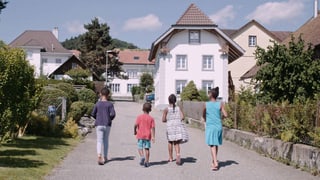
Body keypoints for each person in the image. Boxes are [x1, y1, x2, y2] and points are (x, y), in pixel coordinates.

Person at [202, 87, 227, 171]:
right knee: (215, 144)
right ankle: (214, 161)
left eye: (209, 93)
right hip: (218, 126)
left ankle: (215, 162)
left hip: (211, 126)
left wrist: (205, 119)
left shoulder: (206, 104)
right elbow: (226, 115)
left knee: (212, 145)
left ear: (211, 95)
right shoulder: (220, 104)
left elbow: (203, 114)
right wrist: (221, 118)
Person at [91, 87, 116, 165]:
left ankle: (99, 156)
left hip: (99, 124)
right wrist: (109, 119)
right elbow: (113, 114)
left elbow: (92, 114)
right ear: (108, 95)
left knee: (99, 140)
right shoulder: (110, 104)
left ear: (101, 94)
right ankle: (105, 157)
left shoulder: (97, 104)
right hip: (107, 124)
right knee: (105, 141)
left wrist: (97, 118)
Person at [162, 94, 185, 165]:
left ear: (169, 101)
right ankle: (178, 154)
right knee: (176, 142)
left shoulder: (166, 109)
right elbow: (183, 117)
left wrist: (168, 120)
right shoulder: (178, 108)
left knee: (170, 142)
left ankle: (171, 157)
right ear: (175, 101)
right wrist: (178, 120)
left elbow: (163, 119)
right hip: (177, 126)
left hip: (170, 127)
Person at [134, 102, 155, 167]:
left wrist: (135, 131)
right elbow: (153, 128)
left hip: (140, 135)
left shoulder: (139, 117)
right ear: (150, 110)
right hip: (147, 136)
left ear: (143, 109)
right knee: (147, 149)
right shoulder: (151, 118)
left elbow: (135, 125)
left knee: (140, 147)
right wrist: (153, 136)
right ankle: (147, 161)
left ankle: (142, 156)